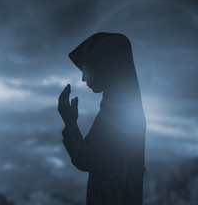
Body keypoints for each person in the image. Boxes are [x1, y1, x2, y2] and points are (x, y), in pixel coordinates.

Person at [57, 32, 146, 205]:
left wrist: (69, 122)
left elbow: (86, 160)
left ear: (105, 67)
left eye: (87, 69)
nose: (83, 78)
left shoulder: (117, 114)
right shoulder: (126, 107)